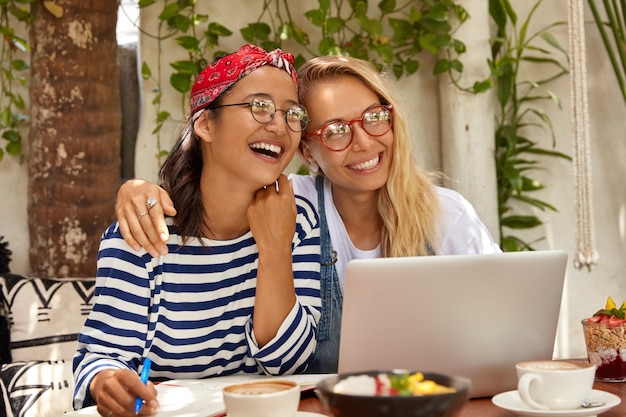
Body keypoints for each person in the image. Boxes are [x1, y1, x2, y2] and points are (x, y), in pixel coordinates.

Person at [115, 54, 501, 375]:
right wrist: (137, 190)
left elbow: (504, 318)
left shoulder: (446, 213)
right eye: (335, 130)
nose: (364, 141)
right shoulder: (289, 205)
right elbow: (214, 191)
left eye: (374, 117)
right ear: (308, 153)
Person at [73, 44, 322, 416]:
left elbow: (289, 364)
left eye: (292, 113)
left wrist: (275, 249)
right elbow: (99, 359)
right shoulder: (145, 230)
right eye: (259, 105)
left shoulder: (299, 221)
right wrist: (106, 382)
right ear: (205, 124)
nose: (279, 124)